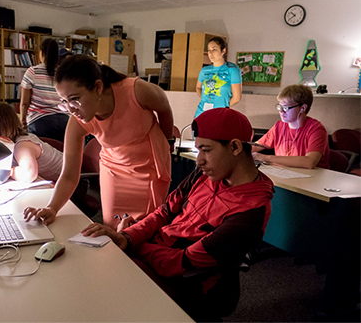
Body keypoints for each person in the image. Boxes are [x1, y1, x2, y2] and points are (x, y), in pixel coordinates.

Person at [81, 108, 274, 321]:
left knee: (106, 285)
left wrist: (133, 245)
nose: (199, 161)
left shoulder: (250, 213)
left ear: (235, 147)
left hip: (186, 281)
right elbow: (164, 213)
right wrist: (127, 236)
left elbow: (183, 261)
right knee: (97, 266)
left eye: (206, 150)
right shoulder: (204, 176)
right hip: (158, 254)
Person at [24, 55, 174, 230]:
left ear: (97, 87)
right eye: (64, 102)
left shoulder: (136, 90)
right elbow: (69, 175)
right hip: (114, 168)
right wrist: (52, 207)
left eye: (75, 98)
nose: (71, 109)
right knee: (112, 225)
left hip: (149, 165)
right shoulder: (77, 121)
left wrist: (169, 139)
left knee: (145, 227)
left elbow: (164, 108)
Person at [0, 102, 63, 183]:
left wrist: (6, 171)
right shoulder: (12, 142)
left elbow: (29, 175)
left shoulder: (23, 145)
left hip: (72, 179)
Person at [253, 84, 330, 169]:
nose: (281, 112)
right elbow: (257, 146)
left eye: (285, 108)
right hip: (285, 174)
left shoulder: (316, 129)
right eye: (280, 107)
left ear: (303, 108)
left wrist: (266, 158)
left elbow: (309, 162)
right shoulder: (279, 126)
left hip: (312, 178)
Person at [19, 38, 69, 143]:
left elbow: (25, 103)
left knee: (41, 156)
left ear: (41, 53)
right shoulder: (64, 73)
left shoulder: (33, 72)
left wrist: (23, 121)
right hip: (65, 121)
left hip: (40, 122)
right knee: (61, 156)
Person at [195, 36, 242, 118]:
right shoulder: (204, 70)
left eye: (214, 49)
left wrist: (222, 106)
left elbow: (237, 98)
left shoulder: (232, 70)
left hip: (220, 114)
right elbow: (198, 88)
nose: (210, 53)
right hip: (201, 113)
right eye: (209, 50)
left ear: (223, 51)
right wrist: (206, 99)